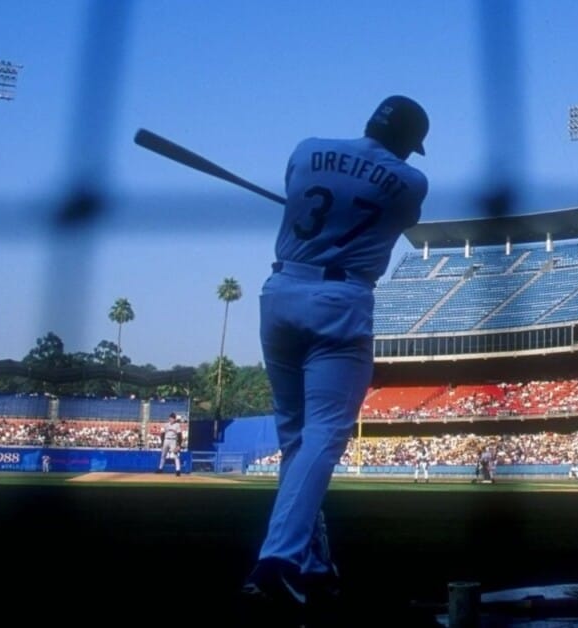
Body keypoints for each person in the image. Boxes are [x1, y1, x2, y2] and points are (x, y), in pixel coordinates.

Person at [240, 95, 429, 624]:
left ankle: (313, 561)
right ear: (409, 143)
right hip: (340, 300)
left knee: (295, 439)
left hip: (279, 291)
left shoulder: (308, 149)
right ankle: (277, 565)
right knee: (324, 436)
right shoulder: (411, 183)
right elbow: (394, 218)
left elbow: (303, 197)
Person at [155, 412, 182, 476]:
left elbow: (179, 435)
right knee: (163, 455)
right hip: (166, 440)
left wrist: (179, 445)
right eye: (170, 418)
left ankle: (178, 470)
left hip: (173, 441)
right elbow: (162, 434)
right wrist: (162, 442)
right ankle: (160, 469)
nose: (171, 419)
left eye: (173, 418)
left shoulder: (177, 425)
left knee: (176, 455)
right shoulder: (166, 424)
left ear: (175, 419)